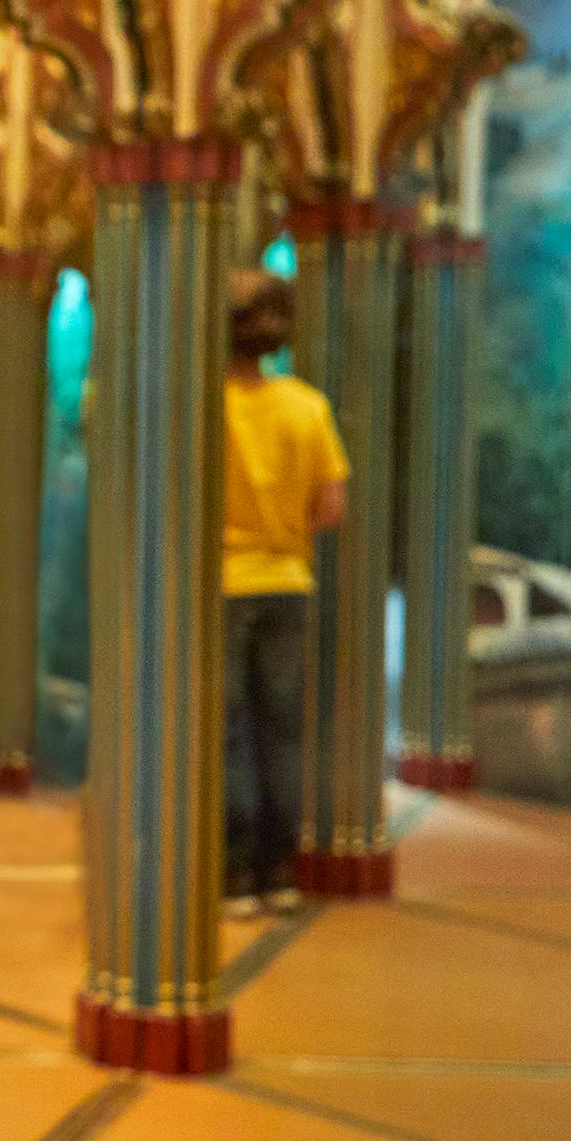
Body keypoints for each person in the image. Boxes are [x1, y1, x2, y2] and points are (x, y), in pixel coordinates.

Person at [222, 266, 348, 914]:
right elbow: (330, 509)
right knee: (279, 729)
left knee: (227, 732)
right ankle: (280, 869)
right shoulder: (307, 406)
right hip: (287, 583)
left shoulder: (201, 406)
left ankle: (235, 874)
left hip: (219, 587)